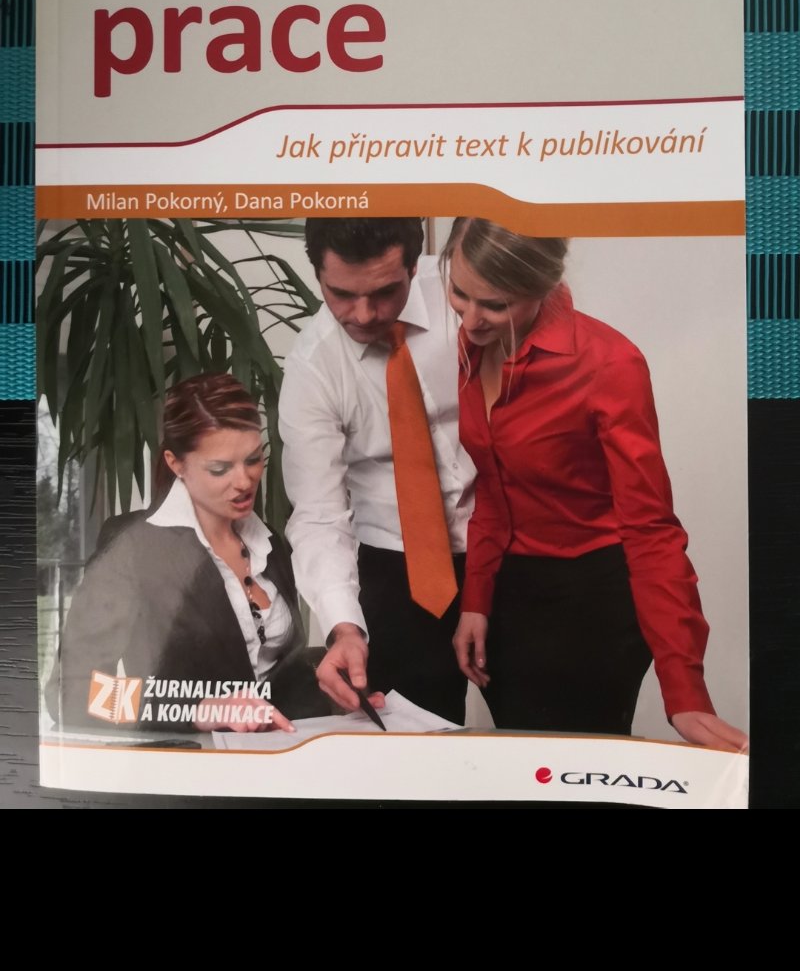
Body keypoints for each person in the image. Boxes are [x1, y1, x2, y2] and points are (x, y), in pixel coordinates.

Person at [444, 218, 748, 753]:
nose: (469, 320)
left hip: (593, 605)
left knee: (579, 770)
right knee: (519, 762)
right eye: (459, 293)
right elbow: (493, 490)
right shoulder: (475, 346)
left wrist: (685, 692)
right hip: (512, 597)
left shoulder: (610, 365)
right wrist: (477, 600)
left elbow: (651, 531)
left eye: (494, 304)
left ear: (540, 287)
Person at [47, 373, 328, 735]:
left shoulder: (269, 543)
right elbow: (71, 692)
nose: (244, 481)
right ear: (176, 463)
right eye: (220, 468)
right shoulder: (131, 548)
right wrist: (196, 709)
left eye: (253, 459)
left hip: (283, 753)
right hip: (192, 760)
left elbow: (279, 674)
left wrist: (330, 684)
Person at [278, 218, 475, 724]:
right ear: (318, 274)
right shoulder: (313, 367)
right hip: (395, 567)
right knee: (411, 752)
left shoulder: (463, 294)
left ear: (415, 265)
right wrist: (344, 627)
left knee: (549, 736)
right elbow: (319, 514)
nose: (364, 314)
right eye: (341, 294)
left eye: (386, 292)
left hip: (506, 548)